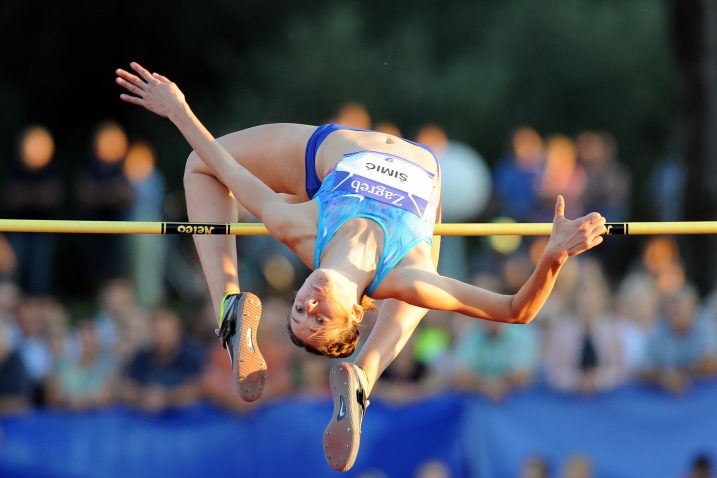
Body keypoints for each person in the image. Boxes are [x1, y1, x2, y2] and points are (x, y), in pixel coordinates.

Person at [115, 62, 607, 471]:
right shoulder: (404, 277)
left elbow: (225, 168)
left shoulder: (297, 226)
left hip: (329, 156)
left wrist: (179, 111)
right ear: (354, 315)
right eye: (318, 319)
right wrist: (553, 256)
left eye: (298, 314)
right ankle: (364, 374)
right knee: (413, 297)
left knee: (197, 167)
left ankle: (229, 304)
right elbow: (515, 311)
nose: (307, 306)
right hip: (419, 174)